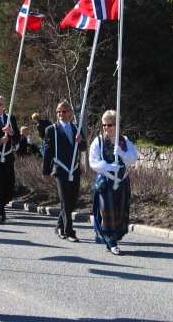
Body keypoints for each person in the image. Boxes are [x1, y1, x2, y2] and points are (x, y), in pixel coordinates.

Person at [88, 110, 138, 255]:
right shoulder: (98, 141)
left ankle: (112, 238)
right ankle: (111, 242)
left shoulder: (124, 141)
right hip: (105, 181)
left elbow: (133, 159)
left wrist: (122, 153)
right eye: (104, 125)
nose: (106, 128)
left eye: (110, 125)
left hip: (121, 180)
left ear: (116, 125)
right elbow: (93, 162)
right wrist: (109, 166)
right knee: (107, 210)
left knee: (120, 210)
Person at [41, 101, 86, 242]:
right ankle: (69, 232)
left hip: (74, 169)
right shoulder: (51, 129)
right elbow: (48, 152)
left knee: (72, 201)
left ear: (70, 113)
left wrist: (81, 141)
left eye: (64, 111)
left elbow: (84, 147)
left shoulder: (77, 128)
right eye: (58, 111)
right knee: (65, 201)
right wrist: (46, 171)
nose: (61, 114)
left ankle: (59, 227)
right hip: (60, 169)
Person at [0, 95, 20, 225]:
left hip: (7, 156)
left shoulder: (10, 118)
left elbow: (18, 136)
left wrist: (11, 131)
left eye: (0, 104)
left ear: (4, 105)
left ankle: (1, 203)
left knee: (9, 184)